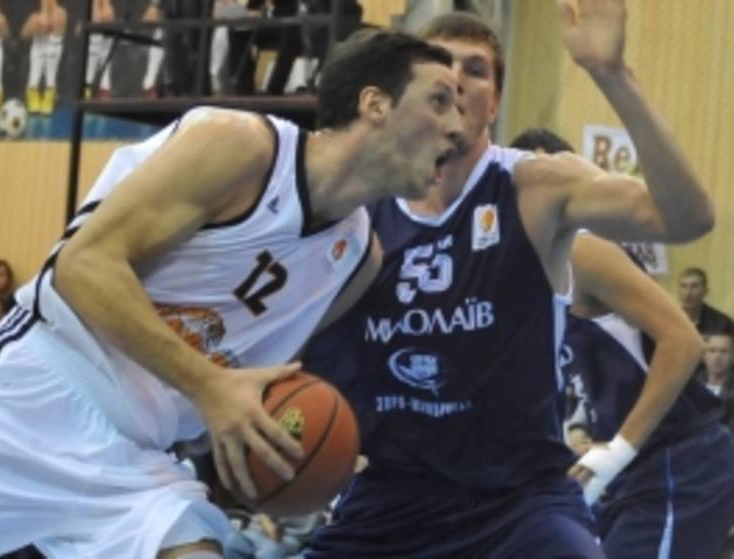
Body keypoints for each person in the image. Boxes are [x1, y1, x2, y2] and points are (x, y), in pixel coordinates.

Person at [0, 30, 462, 558]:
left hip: (136, 463)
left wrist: (287, 446)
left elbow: (257, 389)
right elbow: (83, 267)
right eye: (439, 101)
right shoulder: (241, 146)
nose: (457, 126)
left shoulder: (359, 260)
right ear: (374, 104)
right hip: (29, 398)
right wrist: (209, 386)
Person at [301, 3, 714, 557]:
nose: (456, 81)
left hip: (519, 503)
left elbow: (689, 219)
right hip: (391, 499)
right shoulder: (361, 207)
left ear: (494, 102)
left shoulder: (535, 186)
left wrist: (612, 74)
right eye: (442, 68)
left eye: (474, 70)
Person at [512, 128, 734, 559]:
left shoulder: (583, 250)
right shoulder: (529, 268)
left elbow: (685, 343)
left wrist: (618, 450)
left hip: (680, 463)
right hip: (632, 468)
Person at [22, 0, 67, 115]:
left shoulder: (61, 12)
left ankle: (49, 97)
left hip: (54, 46)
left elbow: (58, 29)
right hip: (38, 46)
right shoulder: (34, 14)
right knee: (34, 75)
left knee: (50, 75)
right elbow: (24, 35)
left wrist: (46, 20)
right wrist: (32, 26)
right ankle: (33, 95)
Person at [676, 267, 734, 338]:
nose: (688, 292)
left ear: (705, 291)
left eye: (694, 287)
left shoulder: (722, 324)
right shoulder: (668, 320)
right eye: (683, 286)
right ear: (678, 291)